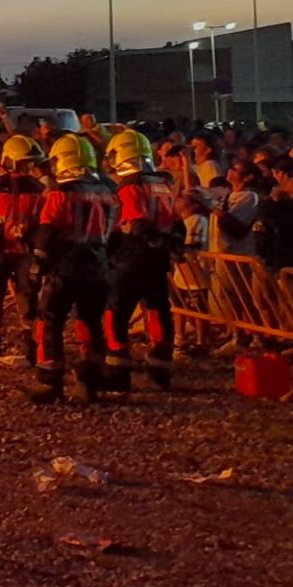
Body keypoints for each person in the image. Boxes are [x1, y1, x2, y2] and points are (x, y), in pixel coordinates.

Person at [28, 133, 118, 405]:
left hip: (65, 269)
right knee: (90, 324)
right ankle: (88, 383)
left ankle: (49, 382)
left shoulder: (60, 193)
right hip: (98, 268)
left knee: (49, 322)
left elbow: (47, 235)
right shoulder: (108, 192)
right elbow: (115, 234)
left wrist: (37, 267)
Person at [100, 128, 182, 391]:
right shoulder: (162, 184)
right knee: (158, 309)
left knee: (116, 311)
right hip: (157, 258)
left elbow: (137, 223)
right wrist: (170, 246)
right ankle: (160, 369)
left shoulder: (131, 185)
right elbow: (177, 223)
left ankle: (117, 371)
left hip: (131, 257)